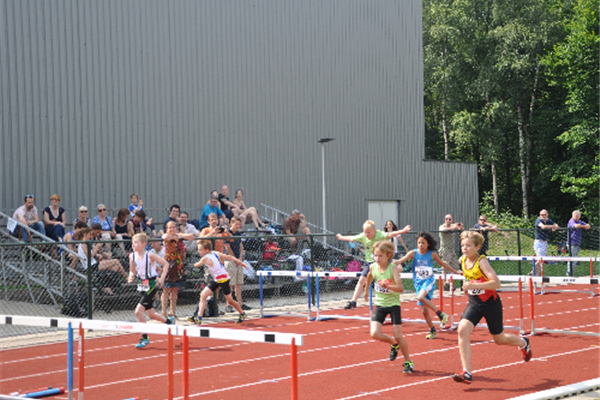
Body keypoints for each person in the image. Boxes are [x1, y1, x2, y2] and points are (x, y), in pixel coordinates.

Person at [453, 231, 531, 385]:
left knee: (499, 339)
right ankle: (466, 372)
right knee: (462, 330)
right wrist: (467, 287)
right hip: (475, 303)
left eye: (468, 245)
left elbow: (496, 283)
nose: (464, 248)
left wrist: (474, 285)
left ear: (478, 247)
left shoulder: (482, 261)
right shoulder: (462, 260)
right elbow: (469, 280)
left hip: (490, 303)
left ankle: (523, 343)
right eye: (462, 245)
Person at [393, 232, 462, 339]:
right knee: (424, 312)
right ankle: (433, 330)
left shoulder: (432, 254)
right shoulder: (413, 253)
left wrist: (455, 271)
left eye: (423, 243)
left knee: (420, 297)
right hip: (418, 283)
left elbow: (443, 263)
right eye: (419, 243)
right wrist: (389, 263)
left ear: (428, 244)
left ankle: (441, 314)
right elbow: (400, 260)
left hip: (428, 280)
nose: (420, 245)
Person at [336, 220, 411, 310]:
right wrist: (341, 237)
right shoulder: (363, 236)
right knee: (361, 281)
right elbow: (352, 238)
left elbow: (391, 234)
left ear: (374, 231)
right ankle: (353, 301)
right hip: (370, 262)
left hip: (383, 261)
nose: (367, 234)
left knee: (399, 268)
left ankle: (393, 284)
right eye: (365, 232)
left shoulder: (379, 234)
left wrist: (403, 231)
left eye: (369, 233)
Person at [365, 241, 414, 373]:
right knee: (374, 333)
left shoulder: (393, 268)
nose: (377, 258)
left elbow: (401, 288)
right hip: (380, 304)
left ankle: (408, 361)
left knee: (399, 335)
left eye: (380, 256)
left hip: (393, 305)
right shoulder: (373, 267)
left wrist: (388, 286)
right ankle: (393, 344)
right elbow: (369, 276)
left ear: (388, 256)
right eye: (375, 255)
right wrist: (365, 290)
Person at [126, 233, 174, 349]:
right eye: (133, 243)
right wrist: (131, 276)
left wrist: (162, 278)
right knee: (150, 314)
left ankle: (144, 337)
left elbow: (166, 264)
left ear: (144, 244)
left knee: (138, 311)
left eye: (136, 242)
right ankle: (169, 321)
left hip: (152, 284)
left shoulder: (150, 255)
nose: (133, 245)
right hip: (142, 284)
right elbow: (132, 270)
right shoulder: (132, 256)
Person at [189, 240, 248, 324]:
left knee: (230, 300)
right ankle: (199, 317)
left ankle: (242, 313)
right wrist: (240, 262)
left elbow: (198, 265)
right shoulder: (215, 253)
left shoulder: (205, 258)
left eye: (200, 249)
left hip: (223, 279)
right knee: (203, 295)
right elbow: (229, 257)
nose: (198, 251)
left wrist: (195, 264)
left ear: (206, 249)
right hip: (217, 279)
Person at [75, 228, 128, 295]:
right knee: (116, 261)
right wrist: (97, 247)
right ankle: (128, 278)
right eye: (89, 235)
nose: (91, 237)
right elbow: (90, 256)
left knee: (116, 268)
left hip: (94, 263)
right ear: (85, 234)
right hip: (92, 266)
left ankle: (109, 285)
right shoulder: (83, 244)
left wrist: (98, 251)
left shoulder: (86, 243)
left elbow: (92, 255)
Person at [161, 220, 196, 318]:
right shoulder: (167, 237)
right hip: (168, 265)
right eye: (170, 228)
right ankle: (163, 311)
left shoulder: (179, 235)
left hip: (177, 266)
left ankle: (172, 311)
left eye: (174, 227)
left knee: (175, 290)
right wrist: (174, 238)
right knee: (166, 290)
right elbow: (164, 237)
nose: (172, 229)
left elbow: (192, 237)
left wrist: (179, 236)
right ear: (167, 229)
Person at [225, 216, 247, 311]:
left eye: (239, 224)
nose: (238, 226)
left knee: (238, 283)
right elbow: (227, 248)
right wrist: (235, 259)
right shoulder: (227, 233)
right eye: (236, 224)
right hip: (230, 261)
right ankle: (228, 305)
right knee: (230, 283)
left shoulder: (238, 233)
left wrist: (240, 259)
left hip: (238, 260)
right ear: (231, 223)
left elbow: (241, 247)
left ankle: (240, 303)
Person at [439, 214, 464, 290]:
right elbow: (443, 230)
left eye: (450, 219)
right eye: (447, 219)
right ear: (444, 219)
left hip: (452, 250)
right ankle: (445, 284)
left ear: (452, 220)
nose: (448, 220)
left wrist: (460, 226)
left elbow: (461, 230)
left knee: (456, 267)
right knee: (445, 267)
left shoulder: (453, 226)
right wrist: (454, 227)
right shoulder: (442, 226)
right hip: (445, 250)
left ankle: (463, 283)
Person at [533, 209, 559, 275]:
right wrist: (553, 226)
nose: (543, 216)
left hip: (544, 242)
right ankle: (533, 272)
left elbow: (556, 225)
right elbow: (543, 226)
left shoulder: (548, 220)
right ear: (540, 215)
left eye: (544, 215)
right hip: (539, 242)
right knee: (540, 259)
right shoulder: (538, 220)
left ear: (547, 215)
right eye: (542, 215)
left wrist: (555, 227)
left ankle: (536, 274)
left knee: (542, 259)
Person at [567, 210, 590, 276]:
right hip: (572, 242)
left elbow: (587, 225)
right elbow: (576, 226)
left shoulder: (579, 221)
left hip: (577, 242)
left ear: (579, 216)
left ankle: (570, 272)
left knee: (575, 258)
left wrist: (585, 225)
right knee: (573, 258)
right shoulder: (571, 220)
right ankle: (569, 272)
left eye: (577, 216)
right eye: (575, 215)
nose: (575, 217)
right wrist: (583, 226)